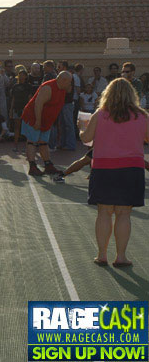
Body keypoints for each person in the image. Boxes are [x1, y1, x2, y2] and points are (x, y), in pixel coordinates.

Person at [79, 78, 149, 268]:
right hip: (131, 169)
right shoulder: (141, 116)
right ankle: (121, 256)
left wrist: (80, 129)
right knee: (124, 214)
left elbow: (86, 138)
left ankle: (102, 255)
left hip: (103, 168)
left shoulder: (100, 115)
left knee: (104, 212)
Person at [21, 72, 72, 176]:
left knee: (43, 142)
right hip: (34, 117)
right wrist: (38, 121)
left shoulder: (63, 88)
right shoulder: (48, 88)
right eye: (69, 81)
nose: (70, 83)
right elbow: (38, 104)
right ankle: (32, 166)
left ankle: (48, 165)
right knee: (32, 141)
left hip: (47, 120)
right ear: (63, 80)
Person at [9, 70, 31, 152]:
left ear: (25, 76)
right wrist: (11, 110)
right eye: (19, 75)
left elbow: (30, 98)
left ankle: (27, 146)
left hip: (25, 109)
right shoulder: (15, 86)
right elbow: (13, 98)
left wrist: (29, 109)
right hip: (16, 108)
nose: (21, 77)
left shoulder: (28, 86)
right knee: (17, 127)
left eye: (22, 75)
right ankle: (15, 146)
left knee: (27, 128)